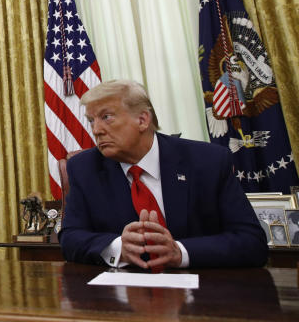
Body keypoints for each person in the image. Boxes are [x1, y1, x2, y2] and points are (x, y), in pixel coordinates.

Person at [60, 79, 268, 269]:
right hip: (123, 299)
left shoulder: (208, 161)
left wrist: (180, 252)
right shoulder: (84, 168)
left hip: (203, 295)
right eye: (91, 121)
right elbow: (70, 238)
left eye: (106, 117)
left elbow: (251, 242)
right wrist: (118, 247)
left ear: (142, 120)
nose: (96, 130)